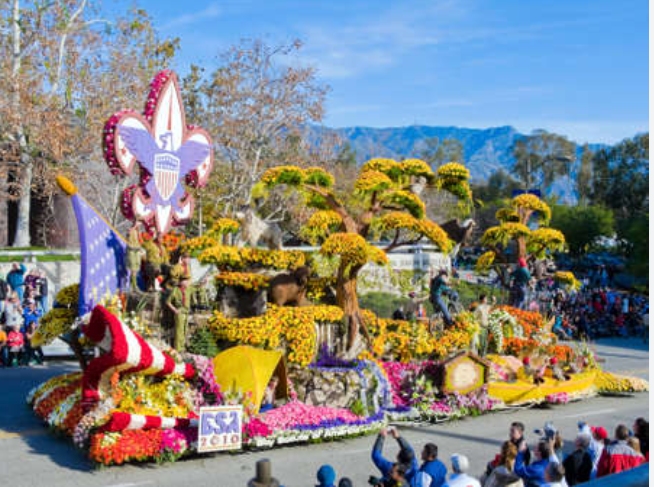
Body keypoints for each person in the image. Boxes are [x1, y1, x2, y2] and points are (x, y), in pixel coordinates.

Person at [165, 278, 191, 352]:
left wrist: (205, 281)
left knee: (185, 331)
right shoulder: (175, 290)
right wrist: (175, 310)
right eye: (185, 281)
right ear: (181, 282)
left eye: (188, 281)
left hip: (187, 312)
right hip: (180, 312)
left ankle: (182, 347)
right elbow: (168, 302)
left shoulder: (188, 289)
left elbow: (198, 286)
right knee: (179, 331)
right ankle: (178, 349)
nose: (187, 283)